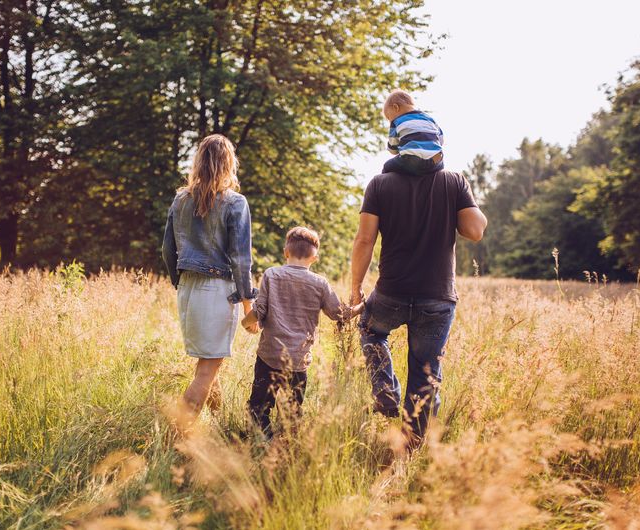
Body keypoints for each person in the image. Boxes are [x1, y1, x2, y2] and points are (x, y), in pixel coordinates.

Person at [350, 120, 488, 448]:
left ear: (397, 148)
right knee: (426, 376)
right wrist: (461, 194)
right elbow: (475, 230)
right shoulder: (454, 182)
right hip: (437, 298)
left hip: (391, 292)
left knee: (371, 330)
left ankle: (385, 390)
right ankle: (411, 450)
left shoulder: (379, 184)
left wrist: (356, 286)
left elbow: (365, 240)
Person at [162, 134, 258, 417]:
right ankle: (176, 436)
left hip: (188, 289)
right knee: (207, 369)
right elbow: (241, 259)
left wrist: (179, 283)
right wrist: (248, 307)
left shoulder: (180, 199)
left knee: (208, 363)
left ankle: (218, 423)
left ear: (199, 162)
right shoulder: (235, 202)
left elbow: (167, 251)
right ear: (230, 164)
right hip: (216, 291)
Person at [241, 227, 363, 439]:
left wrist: (244, 323)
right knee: (292, 412)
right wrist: (362, 306)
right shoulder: (320, 283)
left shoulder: (271, 274)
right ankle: (287, 446)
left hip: (269, 356)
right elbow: (340, 314)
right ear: (314, 258)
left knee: (258, 407)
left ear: (285, 252)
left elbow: (259, 312)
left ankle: (263, 442)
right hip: (298, 360)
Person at [382, 89, 445, 176]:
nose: (390, 121)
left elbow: (393, 150)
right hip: (436, 160)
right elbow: (441, 140)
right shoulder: (430, 119)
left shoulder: (396, 122)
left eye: (389, 118)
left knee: (387, 166)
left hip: (412, 162)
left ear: (396, 107)